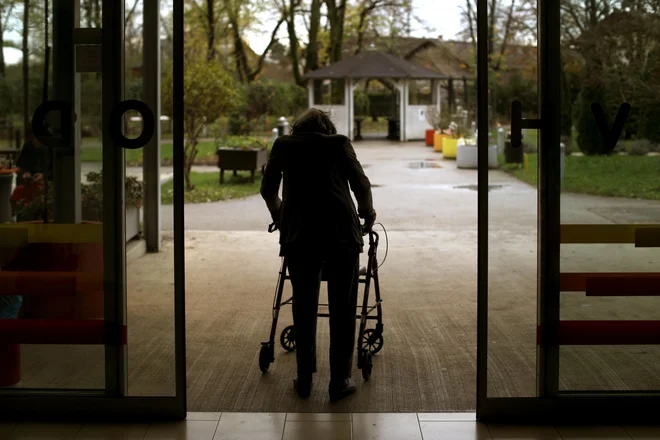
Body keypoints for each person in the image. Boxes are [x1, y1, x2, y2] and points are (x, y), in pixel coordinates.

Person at [260, 108, 376, 402]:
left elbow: (268, 189)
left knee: (303, 303)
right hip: (341, 234)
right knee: (343, 306)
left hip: (300, 236)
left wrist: (281, 215)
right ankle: (339, 381)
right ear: (327, 127)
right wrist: (367, 213)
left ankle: (304, 379)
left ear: (298, 127)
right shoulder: (339, 143)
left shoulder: (284, 145)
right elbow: (361, 184)